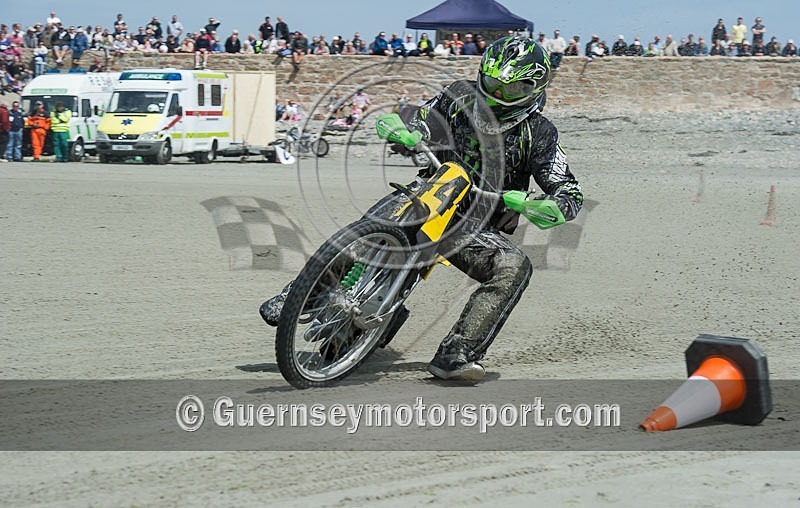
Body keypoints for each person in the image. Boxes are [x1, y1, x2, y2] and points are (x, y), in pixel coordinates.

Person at [259, 36, 583, 382]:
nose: (499, 95)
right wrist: (403, 130)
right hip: (429, 190)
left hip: (476, 225)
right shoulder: (458, 95)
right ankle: (300, 295)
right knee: (368, 228)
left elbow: (570, 192)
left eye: (512, 88)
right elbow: (422, 117)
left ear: (533, 88)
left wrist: (542, 205)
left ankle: (458, 353)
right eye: (492, 84)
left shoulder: (541, 133)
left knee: (514, 266)